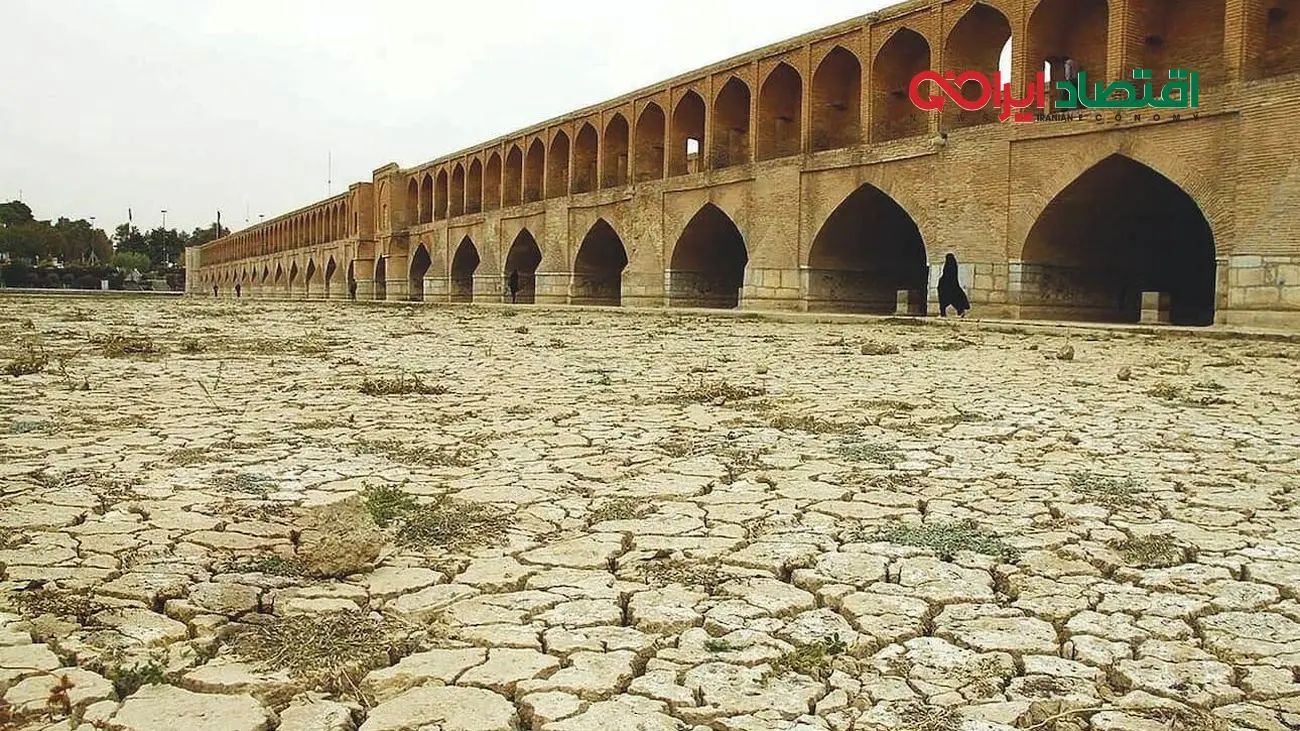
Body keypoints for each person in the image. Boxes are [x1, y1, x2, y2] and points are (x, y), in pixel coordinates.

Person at [937, 253, 971, 318]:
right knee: (953, 298)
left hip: (947, 285)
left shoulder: (949, 266)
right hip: (950, 285)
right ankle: (959, 311)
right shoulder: (953, 265)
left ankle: (944, 313)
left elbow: (947, 274)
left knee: (946, 299)